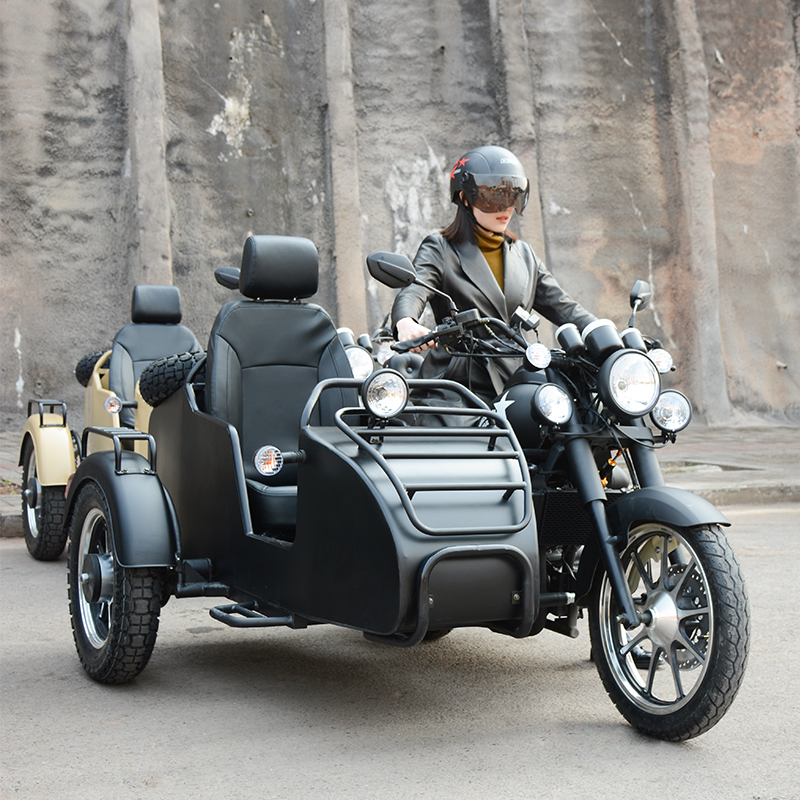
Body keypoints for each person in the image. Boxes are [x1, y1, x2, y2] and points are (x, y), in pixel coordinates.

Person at [391, 144, 596, 416]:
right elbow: (415, 288)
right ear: (465, 198)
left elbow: (565, 308)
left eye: (513, 196)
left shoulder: (525, 255)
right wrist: (405, 321)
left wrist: (609, 336)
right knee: (446, 438)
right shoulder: (440, 248)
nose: (506, 207)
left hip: (518, 379)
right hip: (459, 384)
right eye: (493, 197)